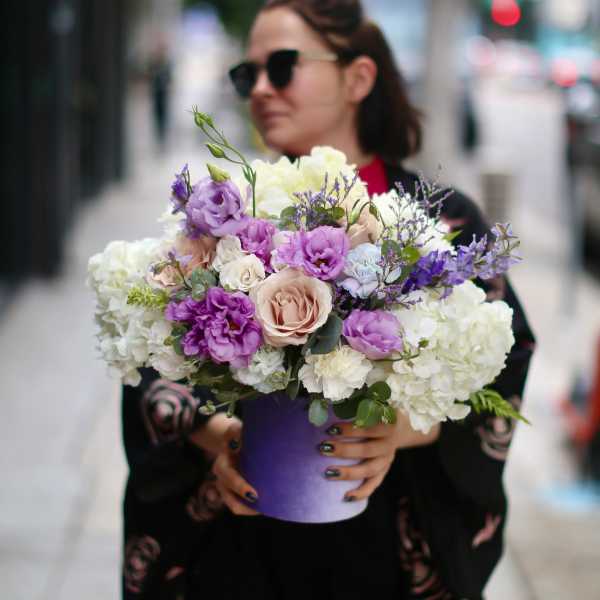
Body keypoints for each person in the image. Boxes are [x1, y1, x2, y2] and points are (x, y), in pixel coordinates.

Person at [120, 1, 535, 598]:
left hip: (382, 546)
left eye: (282, 66)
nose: (260, 89)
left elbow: (505, 358)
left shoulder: (443, 225)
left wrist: (403, 428)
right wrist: (218, 435)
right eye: (247, 74)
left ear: (358, 78)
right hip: (241, 546)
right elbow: (149, 352)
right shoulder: (225, 215)